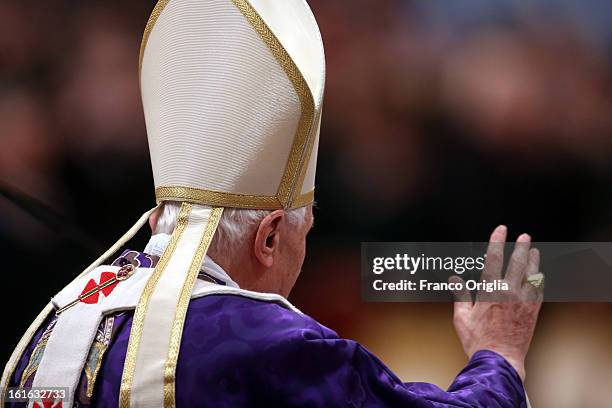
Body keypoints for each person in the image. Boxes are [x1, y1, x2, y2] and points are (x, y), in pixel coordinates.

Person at [1, 0, 542, 406]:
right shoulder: (272, 347)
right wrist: (499, 355)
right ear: (268, 237)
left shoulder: (62, 322)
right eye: (302, 237)